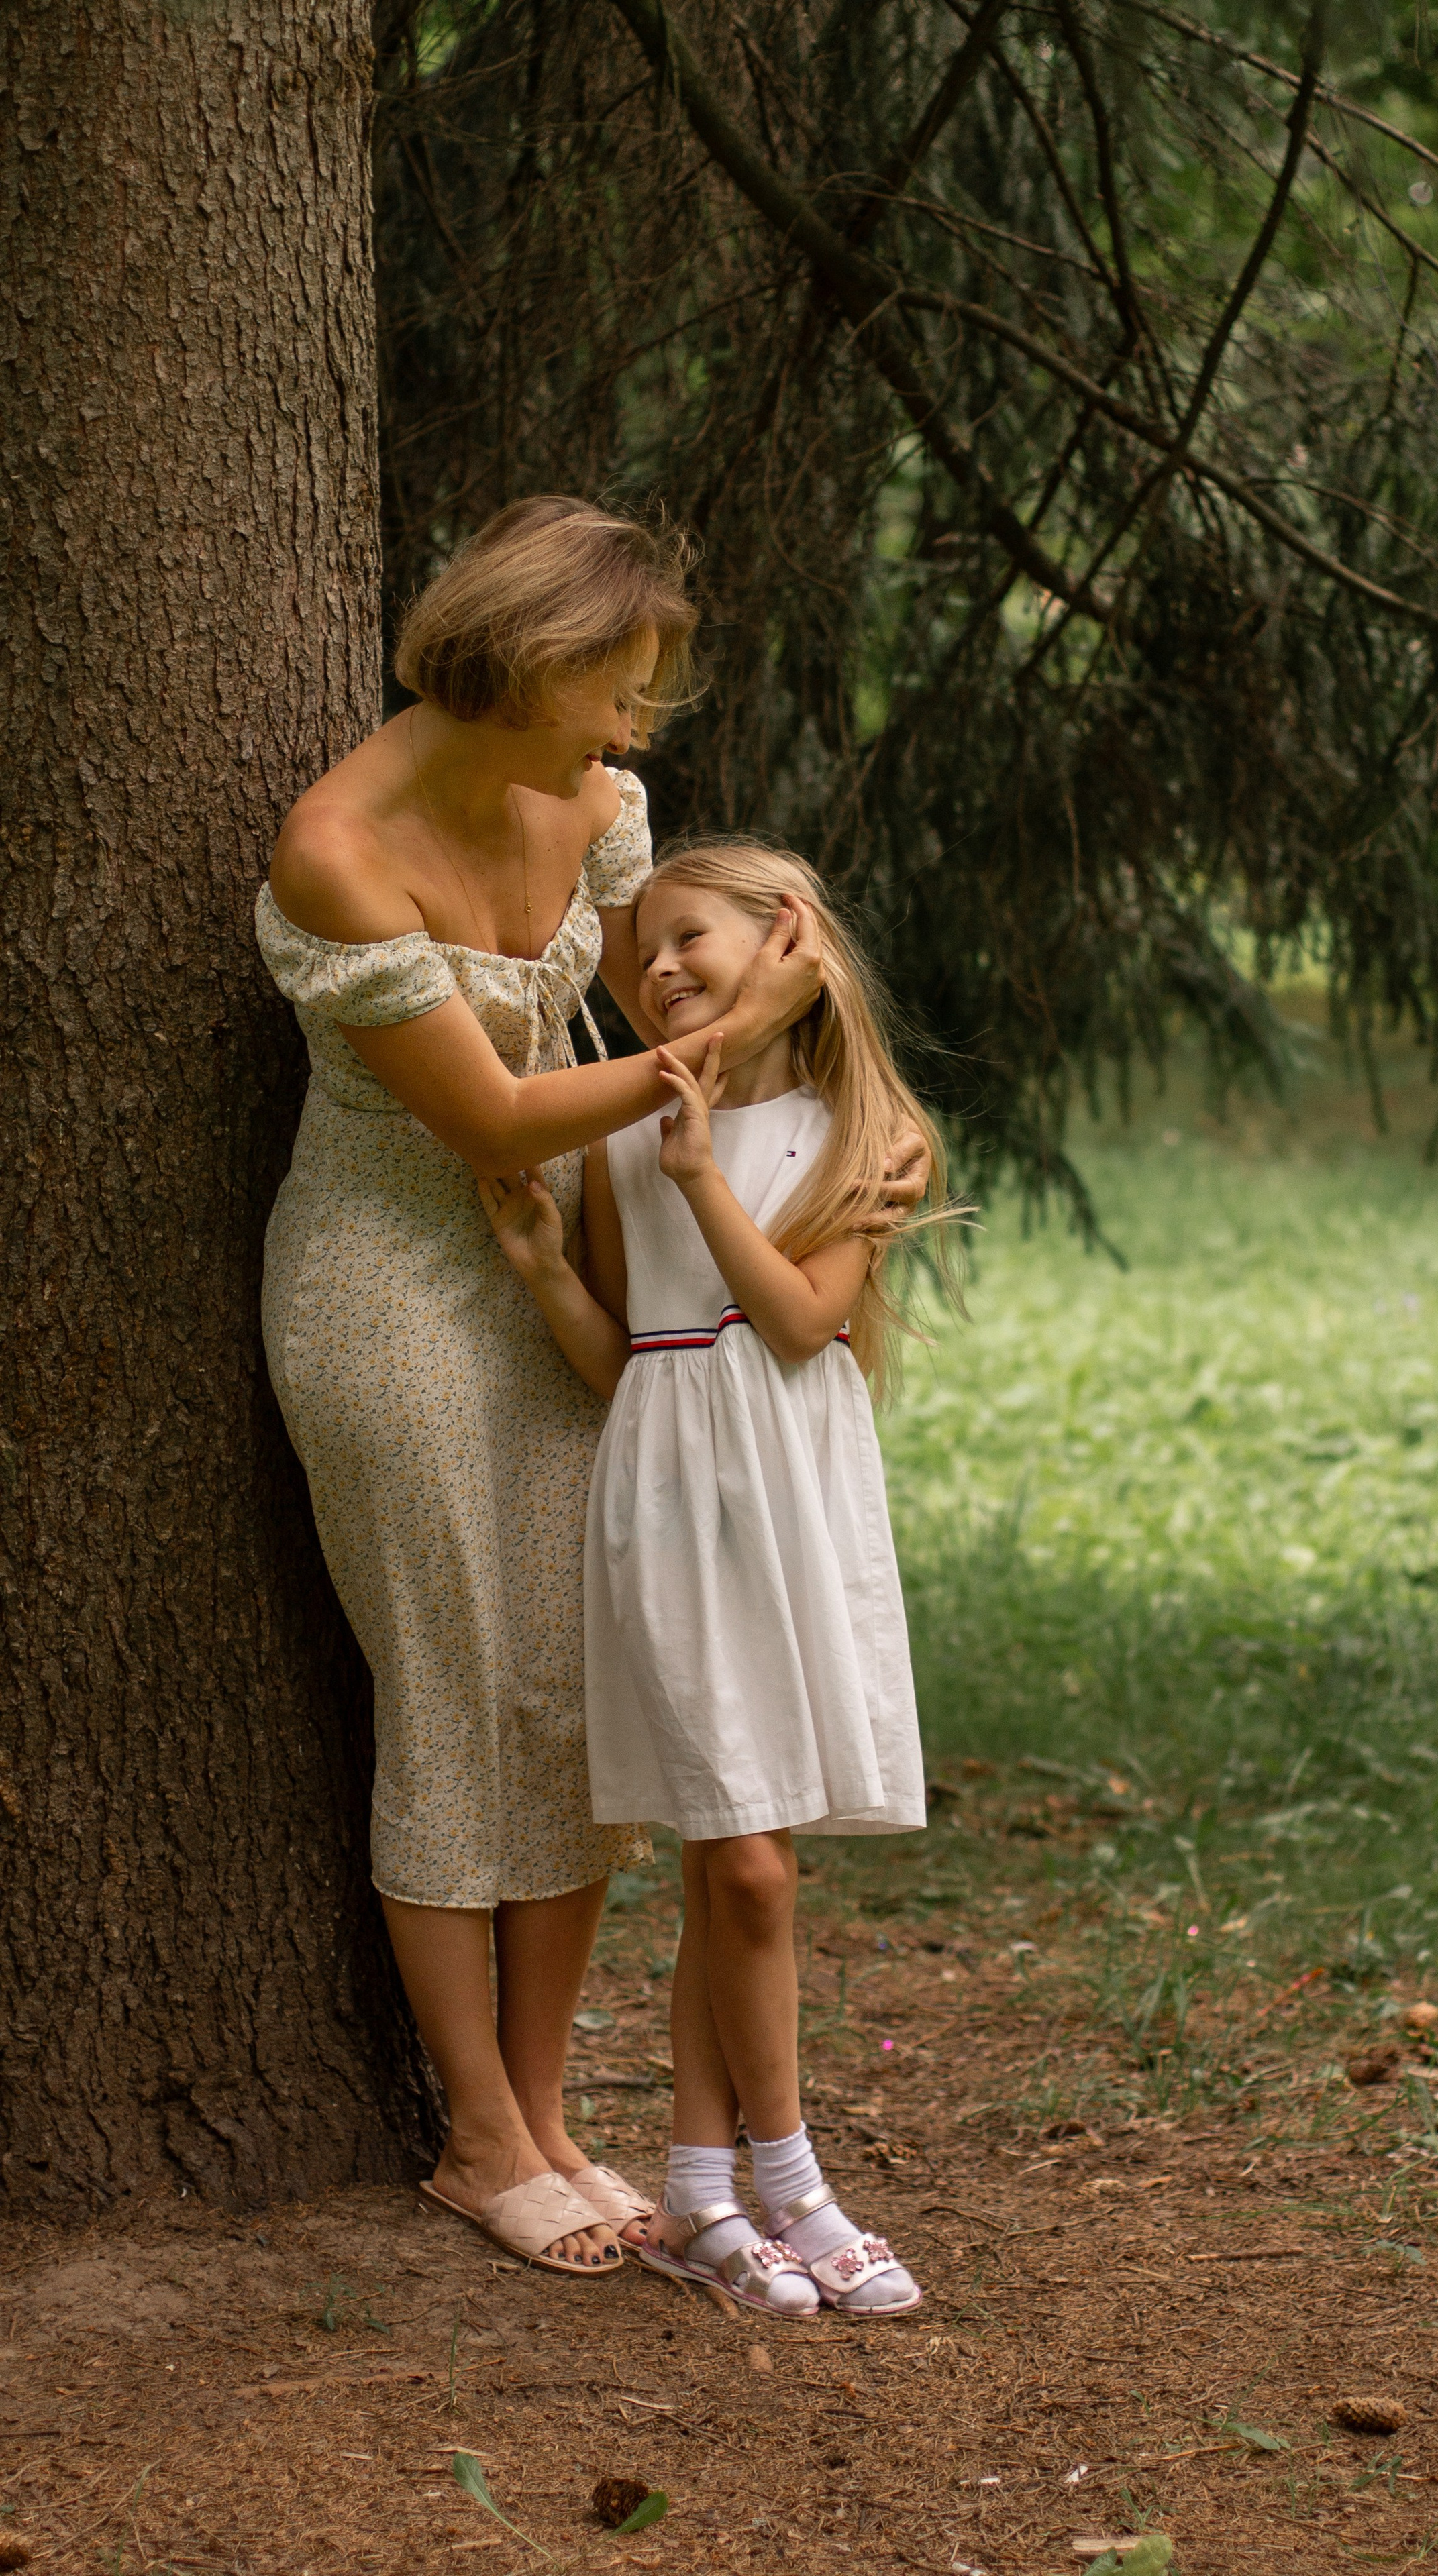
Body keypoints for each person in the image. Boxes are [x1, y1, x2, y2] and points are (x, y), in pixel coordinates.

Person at [255, 498, 927, 2278]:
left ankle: (551, 2112)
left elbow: (659, 1010)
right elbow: (486, 1110)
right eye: (618, 692)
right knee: (460, 1688)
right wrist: (713, 1047)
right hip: (395, 1275)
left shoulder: (601, 809)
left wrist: (837, 1132)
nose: (637, 737)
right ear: (541, 666)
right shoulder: (339, 847)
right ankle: (477, 2136)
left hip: (565, 1268)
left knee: (572, 1700)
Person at [480, 836, 958, 2317]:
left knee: (732, 1856)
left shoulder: (859, 1126)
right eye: (641, 955)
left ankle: (703, 2194)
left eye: (691, 937)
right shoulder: (621, 1135)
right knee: (742, 1855)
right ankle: (796, 2179)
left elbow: (803, 1322)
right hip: (668, 1491)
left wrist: (700, 1176)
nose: (661, 968)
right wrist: (551, 1267)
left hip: (790, 1487)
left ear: (784, 938)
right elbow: (628, 1352)